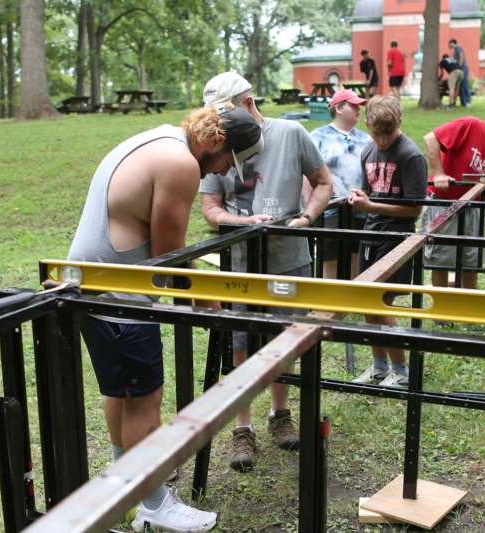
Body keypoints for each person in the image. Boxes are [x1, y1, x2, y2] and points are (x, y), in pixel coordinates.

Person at [68, 105, 264, 533]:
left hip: (91, 282)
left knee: (121, 392)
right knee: (145, 399)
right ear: (216, 143)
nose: (228, 171)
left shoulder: (161, 137)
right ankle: (154, 503)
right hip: (120, 294)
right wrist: (207, 300)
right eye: (231, 160)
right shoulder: (181, 164)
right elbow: (169, 260)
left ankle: (122, 488)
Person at [199, 72, 332, 471]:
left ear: (248, 103)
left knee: (286, 341)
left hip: (290, 259)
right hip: (240, 263)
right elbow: (210, 207)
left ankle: (281, 413)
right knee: (239, 344)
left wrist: (307, 217)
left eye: (225, 116)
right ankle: (243, 428)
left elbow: (323, 182)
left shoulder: (291, 133)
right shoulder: (213, 144)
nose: (218, 128)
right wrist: (243, 224)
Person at [349, 95, 427, 387]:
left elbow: (414, 208)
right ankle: (379, 365)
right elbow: (373, 192)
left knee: (383, 303)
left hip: (396, 237)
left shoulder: (411, 155)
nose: (382, 141)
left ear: (399, 124)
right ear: (367, 124)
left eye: (388, 134)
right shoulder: (368, 151)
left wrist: (372, 207)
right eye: (376, 134)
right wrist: (361, 198)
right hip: (372, 233)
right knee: (367, 302)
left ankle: (401, 371)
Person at [422, 104, 485, 292]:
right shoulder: (470, 125)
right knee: (441, 259)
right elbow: (431, 138)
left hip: (472, 209)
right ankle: (440, 312)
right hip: (446, 203)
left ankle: (468, 302)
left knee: (471, 259)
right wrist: (438, 173)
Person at [310, 89, 372, 279]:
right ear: (338, 108)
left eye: (359, 105)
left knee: (356, 255)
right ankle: (329, 300)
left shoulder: (366, 139)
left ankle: (352, 297)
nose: (358, 108)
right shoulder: (317, 137)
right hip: (329, 209)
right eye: (353, 105)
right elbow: (308, 173)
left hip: (360, 208)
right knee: (330, 258)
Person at [449, 38, 471, 107]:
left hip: (463, 67)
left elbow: (461, 55)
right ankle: (463, 102)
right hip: (460, 68)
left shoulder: (457, 47)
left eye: (449, 44)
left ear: (452, 43)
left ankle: (467, 101)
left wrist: (460, 66)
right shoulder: (455, 50)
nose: (448, 46)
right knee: (460, 85)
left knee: (464, 84)